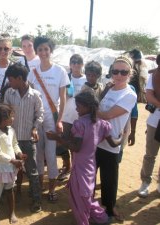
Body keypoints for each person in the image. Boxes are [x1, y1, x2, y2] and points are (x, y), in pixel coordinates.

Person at [46, 91, 121, 225]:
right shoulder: (103, 124)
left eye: (78, 106)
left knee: (81, 197)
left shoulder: (80, 124)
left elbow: (76, 147)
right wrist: (121, 137)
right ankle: (100, 218)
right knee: (85, 195)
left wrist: (57, 138)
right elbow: (113, 143)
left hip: (80, 166)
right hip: (90, 165)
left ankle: (85, 221)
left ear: (87, 107)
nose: (76, 109)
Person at [27, 36, 70, 202]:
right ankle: (38, 187)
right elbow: (29, 95)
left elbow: (63, 98)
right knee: (37, 154)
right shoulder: (33, 72)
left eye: (46, 49)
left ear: (51, 51)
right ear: (36, 51)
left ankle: (51, 190)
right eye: (40, 49)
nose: (43, 52)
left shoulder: (59, 71)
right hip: (37, 118)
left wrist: (59, 120)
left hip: (52, 118)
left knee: (51, 155)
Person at [96, 56, 137, 221]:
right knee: (91, 175)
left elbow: (106, 115)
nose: (119, 75)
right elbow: (100, 108)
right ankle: (88, 205)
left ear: (130, 74)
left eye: (123, 72)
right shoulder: (109, 89)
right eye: (115, 71)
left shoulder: (129, 94)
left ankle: (109, 209)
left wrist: (90, 109)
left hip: (110, 143)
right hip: (96, 140)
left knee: (109, 179)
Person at [4, 62, 43, 213]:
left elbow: (40, 114)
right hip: (11, 140)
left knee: (32, 171)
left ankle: (36, 200)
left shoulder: (35, 96)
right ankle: (11, 196)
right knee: (11, 170)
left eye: (11, 79)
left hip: (28, 140)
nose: (9, 82)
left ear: (20, 78)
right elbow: (4, 113)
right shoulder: (9, 94)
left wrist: (35, 128)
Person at [0, 104, 26, 225]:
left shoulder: (11, 130)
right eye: (11, 116)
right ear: (4, 120)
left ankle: (12, 213)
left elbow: (15, 144)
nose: (13, 118)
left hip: (10, 169)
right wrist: (13, 160)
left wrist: (19, 154)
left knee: (10, 190)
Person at [59, 54, 87, 181]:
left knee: (76, 145)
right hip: (65, 116)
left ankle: (75, 170)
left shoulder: (86, 80)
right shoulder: (65, 78)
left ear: (82, 64)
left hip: (80, 119)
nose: (76, 64)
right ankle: (67, 166)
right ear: (70, 64)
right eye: (73, 62)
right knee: (64, 142)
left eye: (78, 62)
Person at [137, 53, 160, 197]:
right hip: (155, 121)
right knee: (150, 154)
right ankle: (145, 181)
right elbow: (149, 96)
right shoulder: (154, 76)